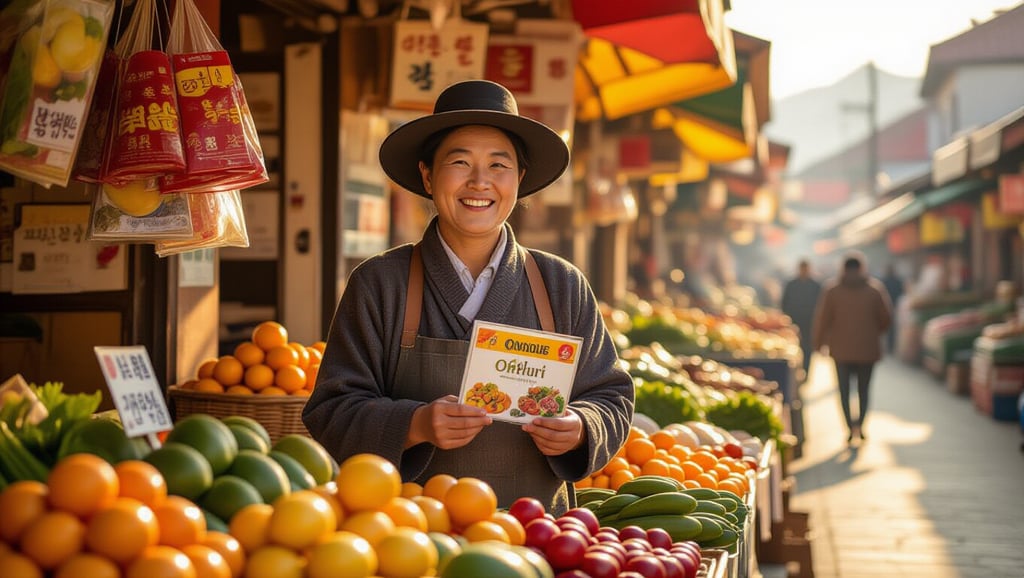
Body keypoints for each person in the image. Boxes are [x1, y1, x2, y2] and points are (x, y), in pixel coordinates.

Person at [302, 79, 635, 516]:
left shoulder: (561, 284)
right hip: (411, 539)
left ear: (520, 179)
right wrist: (414, 424)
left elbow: (611, 396)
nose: (480, 182)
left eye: (499, 165)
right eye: (459, 162)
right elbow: (331, 408)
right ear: (427, 175)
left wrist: (581, 428)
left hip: (537, 539)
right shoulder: (380, 282)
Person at [812, 252, 892, 444]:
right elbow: (886, 319)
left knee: (844, 391)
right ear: (862, 268)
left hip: (841, 350)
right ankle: (861, 426)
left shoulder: (832, 290)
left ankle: (849, 427)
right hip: (868, 349)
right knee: (864, 390)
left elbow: (823, 320)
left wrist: (818, 344)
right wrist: (872, 333)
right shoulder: (874, 290)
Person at [781, 259, 822, 381]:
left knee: (808, 348)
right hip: (795, 321)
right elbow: (785, 303)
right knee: (795, 347)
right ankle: (796, 373)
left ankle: (806, 372)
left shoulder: (815, 285)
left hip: (810, 322)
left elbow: (821, 304)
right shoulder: (791, 284)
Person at [880, 263, 904, 354]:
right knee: (893, 328)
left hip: (889, 307)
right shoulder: (897, 281)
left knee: (890, 329)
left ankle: (889, 347)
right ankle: (891, 346)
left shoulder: (883, 282)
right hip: (895, 306)